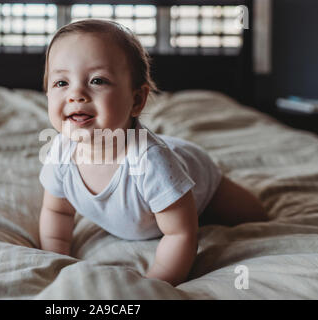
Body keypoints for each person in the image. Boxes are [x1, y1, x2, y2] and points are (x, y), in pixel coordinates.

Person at [38, 19, 268, 286]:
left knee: (254, 215)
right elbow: (57, 212)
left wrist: (157, 283)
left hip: (197, 176)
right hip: (155, 195)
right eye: (61, 82)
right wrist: (56, 261)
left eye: (97, 80)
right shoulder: (61, 152)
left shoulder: (151, 163)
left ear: (137, 100)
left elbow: (180, 234)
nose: (76, 94)